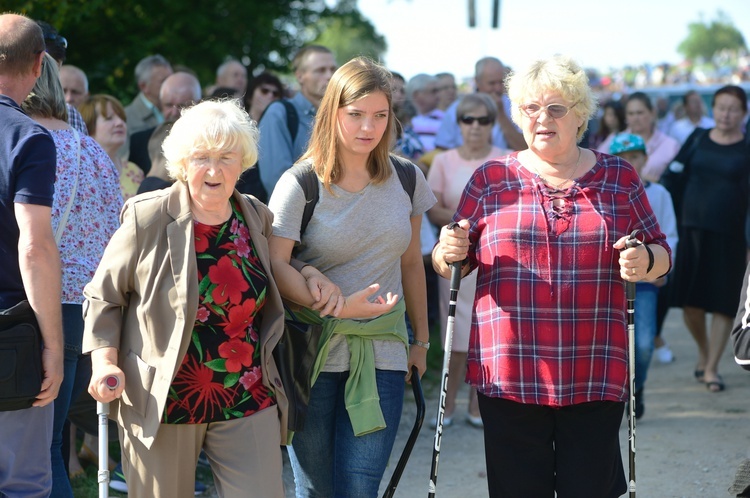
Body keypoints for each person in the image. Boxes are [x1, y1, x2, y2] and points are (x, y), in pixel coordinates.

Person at [432, 54, 671, 497]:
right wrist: (448, 252)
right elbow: (450, 261)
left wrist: (645, 260)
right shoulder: (491, 179)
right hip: (510, 367)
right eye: (530, 108)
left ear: (580, 115)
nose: (542, 118)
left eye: (556, 108)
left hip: (595, 365)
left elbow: (660, 250)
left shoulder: (618, 176)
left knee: (590, 489)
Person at [83, 99, 300, 497]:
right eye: (201, 157)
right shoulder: (146, 217)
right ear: (182, 163)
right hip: (164, 399)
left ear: (243, 162)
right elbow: (103, 297)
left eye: (226, 157)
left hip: (246, 393)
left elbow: (283, 273)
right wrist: (104, 363)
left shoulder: (256, 216)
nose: (214, 170)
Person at [268, 56, 436, 497]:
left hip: (383, 350)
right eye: (356, 114)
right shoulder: (300, 182)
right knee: (316, 489)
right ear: (333, 112)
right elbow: (274, 263)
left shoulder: (407, 177)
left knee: (359, 489)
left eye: (380, 115)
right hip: (311, 352)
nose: (369, 127)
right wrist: (338, 304)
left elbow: (411, 262)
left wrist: (420, 341)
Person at [22, 52, 122, 497]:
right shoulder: (94, 151)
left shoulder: (24, 141)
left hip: (42, 308)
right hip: (95, 314)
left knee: (36, 452)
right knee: (51, 444)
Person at [0, 14, 63, 497]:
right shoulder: (27, 137)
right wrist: (54, 347)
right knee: (22, 484)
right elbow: (35, 245)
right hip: (10, 333)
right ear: (40, 63)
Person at [426, 93, 507, 429]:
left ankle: (480, 404)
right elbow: (432, 206)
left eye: (483, 120)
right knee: (454, 334)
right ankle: (447, 405)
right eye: (468, 119)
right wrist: (468, 222)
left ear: (492, 124)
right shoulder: (443, 161)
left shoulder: (506, 159)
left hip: (498, 258)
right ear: (458, 124)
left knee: (491, 331)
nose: (475, 126)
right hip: (458, 258)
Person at [670, 85, 750, 393]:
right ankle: (704, 352)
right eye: (720, 107)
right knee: (690, 304)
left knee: (722, 304)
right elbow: (674, 175)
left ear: (743, 114)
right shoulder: (697, 138)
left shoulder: (746, 147)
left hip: (730, 235)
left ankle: (712, 367)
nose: (726, 114)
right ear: (712, 109)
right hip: (692, 230)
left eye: (733, 109)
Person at [609, 132, 677, 419]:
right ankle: (616, 392)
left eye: (635, 157)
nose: (630, 164)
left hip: (646, 281)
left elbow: (670, 234)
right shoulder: (605, 193)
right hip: (611, 280)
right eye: (623, 159)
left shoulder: (659, 193)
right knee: (614, 342)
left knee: (645, 343)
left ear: (645, 158)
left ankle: (638, 387)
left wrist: (661, 267)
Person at [258, 45, 337, 195]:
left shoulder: (340, 116)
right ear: (300, 76)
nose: (329, 76)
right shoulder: (280, 113)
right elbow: (276, 180)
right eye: (320, 70)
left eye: (333, 69)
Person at [435, 57, 526, 151]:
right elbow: (442, 148)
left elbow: (524, 147)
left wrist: (501, 116)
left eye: (501, 82)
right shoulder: (456, 109)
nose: (498, 88)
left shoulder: (513, 106)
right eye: (492, 83)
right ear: (477, 82)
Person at [129, 71, 202, 179]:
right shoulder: (140, 142)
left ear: (198, 105)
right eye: (168, 105)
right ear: (160, 105)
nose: (174, 113)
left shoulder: (214, 142)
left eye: (181, 106)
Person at [598, 92, 680, 183]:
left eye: (640, 113)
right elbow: (597, 168)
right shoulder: (614, 140)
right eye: (631, 113)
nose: (635, 118)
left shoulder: (671, 145)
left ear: (652, 113)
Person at [80, 94, 145, 200]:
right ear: (89, 127)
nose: (120, 123)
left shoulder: (134, 171)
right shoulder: (80, 171)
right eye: (109, 118)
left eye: (122, 118)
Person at [124, 54, 173, 137]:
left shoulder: (178, 109)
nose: (171, 84)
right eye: (163, 81)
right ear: (143, 86)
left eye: (172, 79)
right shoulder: (125, 118)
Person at [406, 73, 443, 152]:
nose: (439, 95)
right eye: (434, 91)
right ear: (417, 95)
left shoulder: (446, 119)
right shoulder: (403, 122)